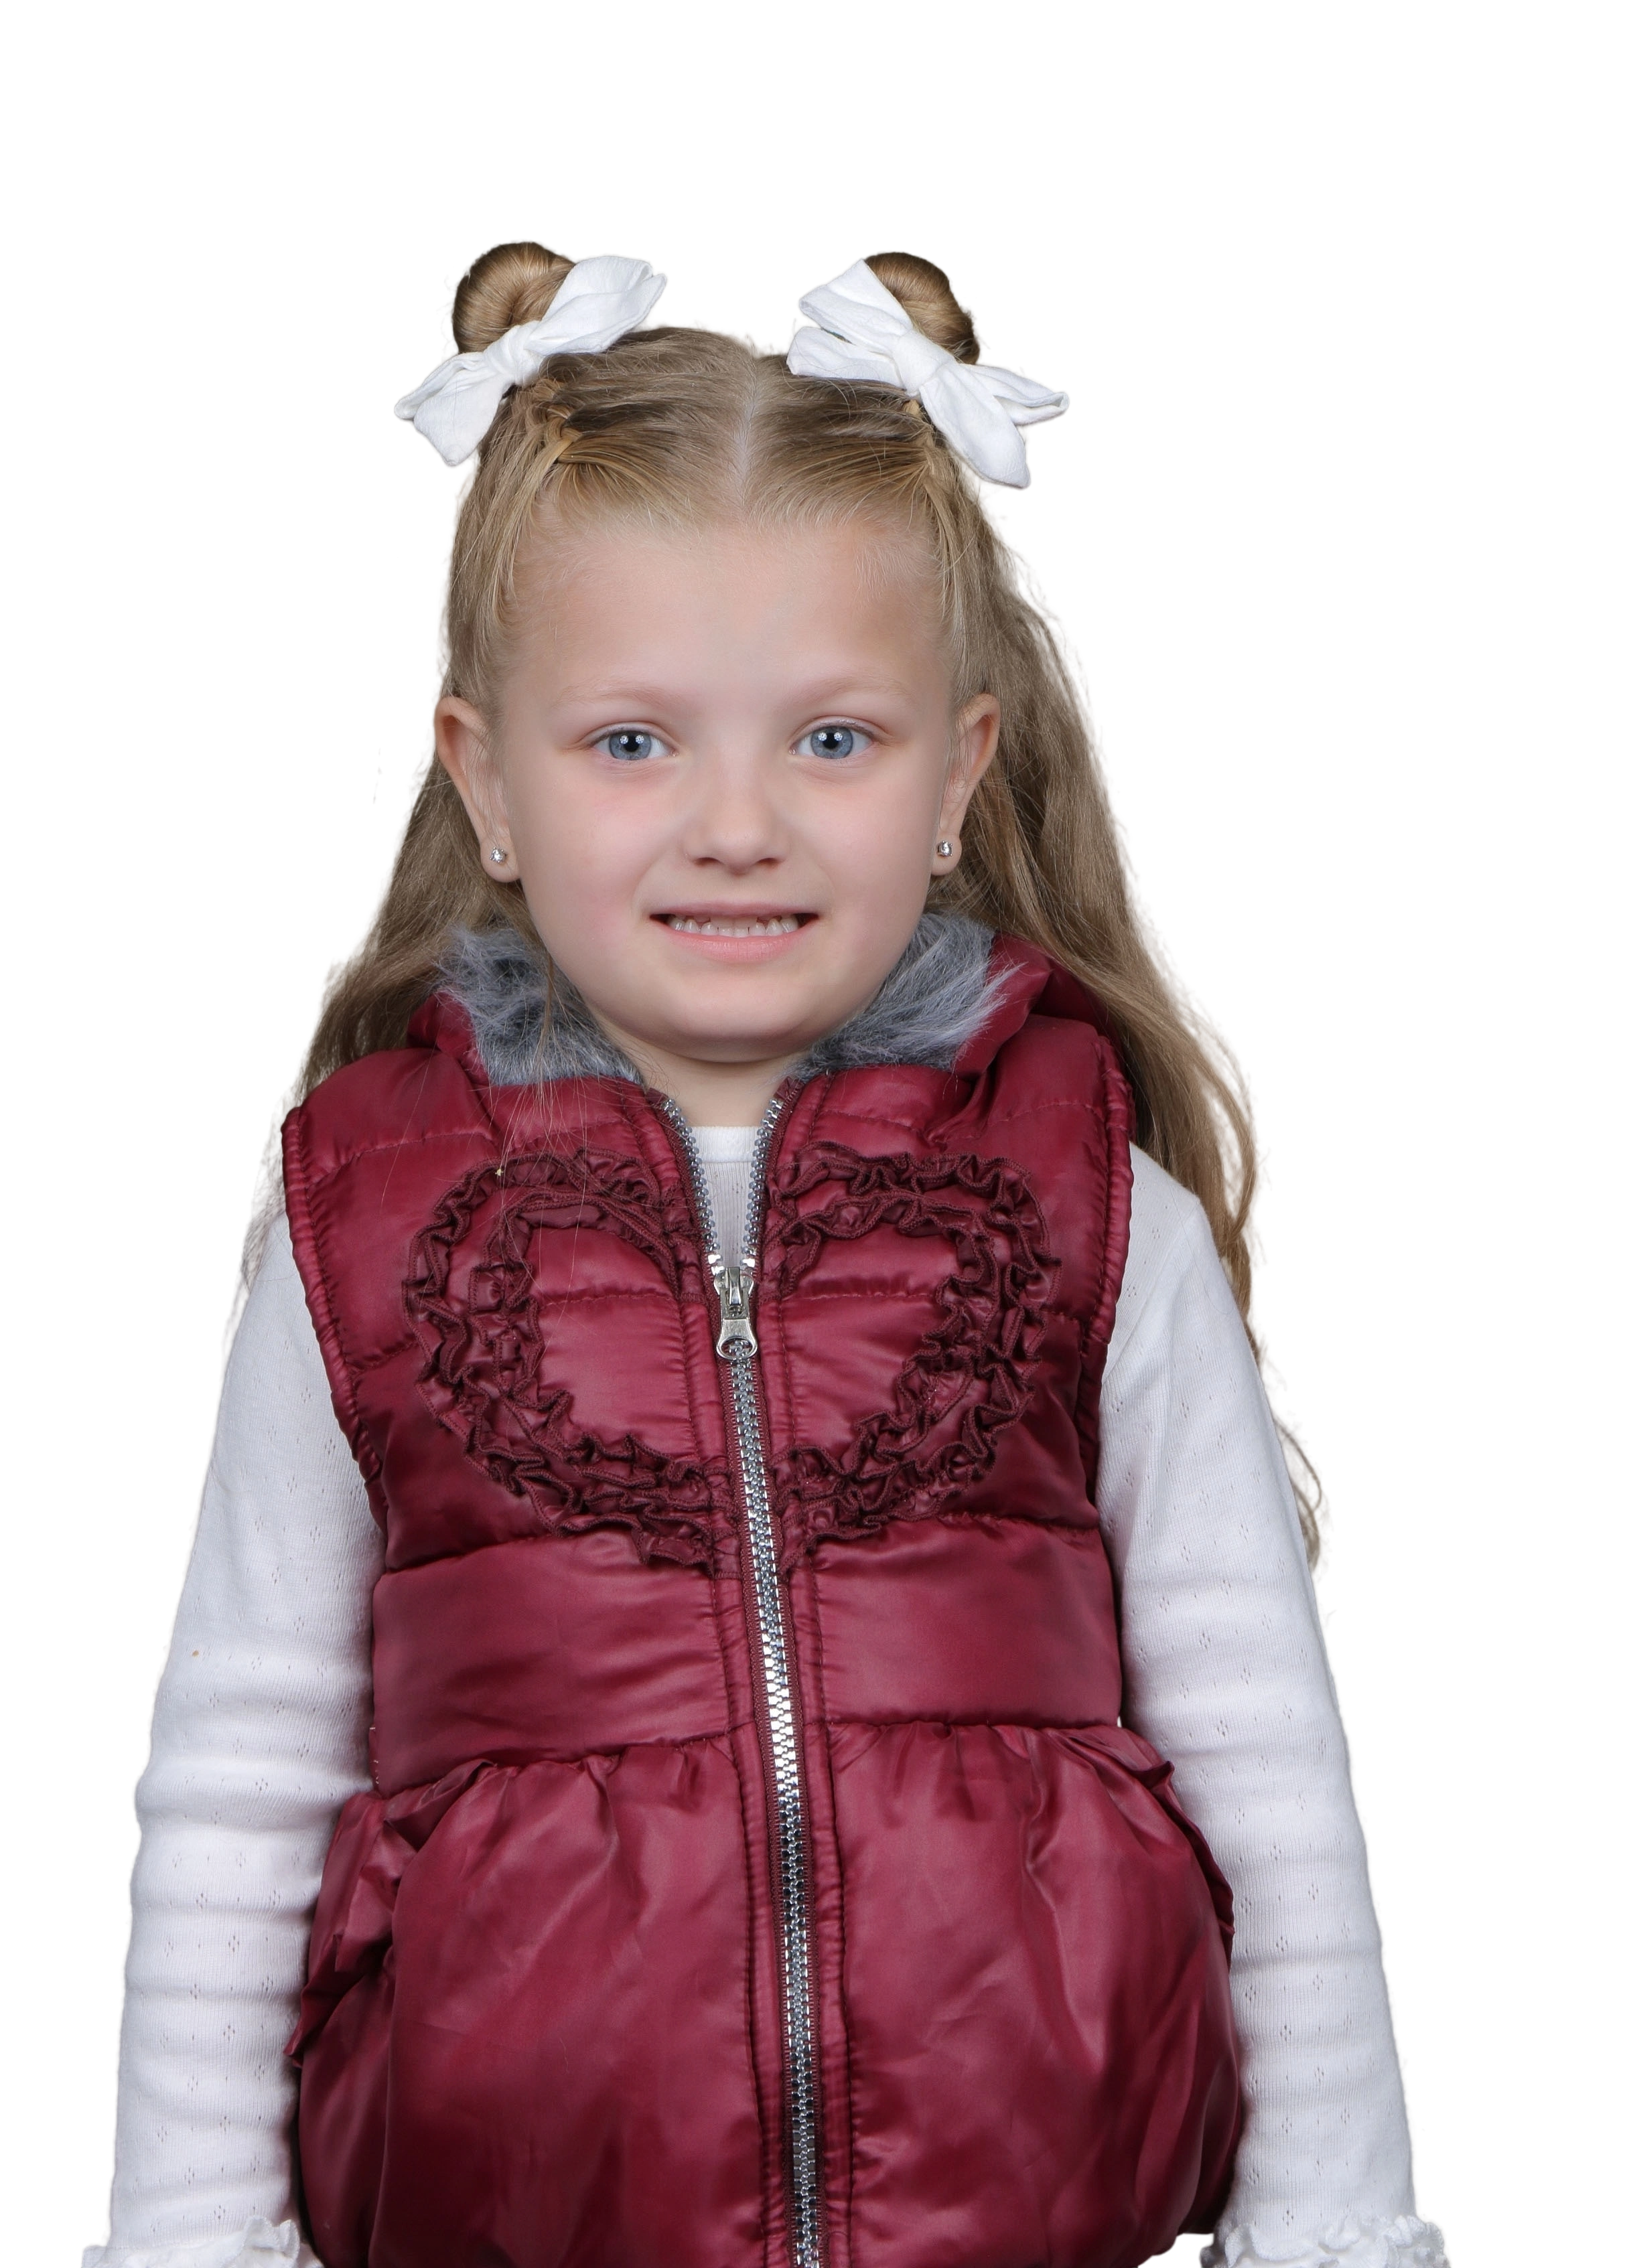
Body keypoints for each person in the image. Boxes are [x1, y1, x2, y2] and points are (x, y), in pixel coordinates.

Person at [83, 242, 1454, 2268]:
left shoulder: (1093, 1193)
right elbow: (242, 1773)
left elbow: (1262, 1741)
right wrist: (191, 2236)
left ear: (959, 773)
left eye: (832, 741)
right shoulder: (365, 1220)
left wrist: (1335, 2222)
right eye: (633, 743)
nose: (739, 825)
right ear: (484, 780)